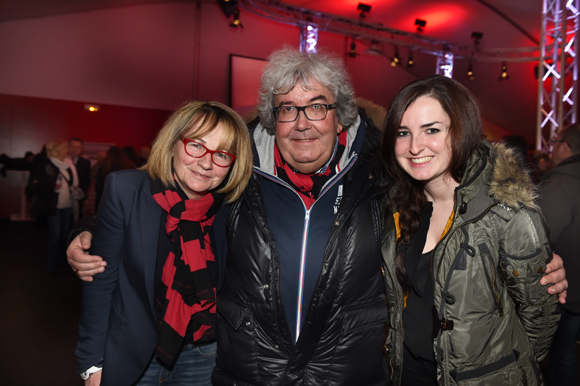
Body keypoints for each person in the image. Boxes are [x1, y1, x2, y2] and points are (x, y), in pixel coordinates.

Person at [67, 48, 569, 385]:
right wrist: (87, 234)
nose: (302, 122)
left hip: (345, 371)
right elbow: (164, 202)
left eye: (317, 107)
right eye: (287, 109)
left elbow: (458, 184)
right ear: (271, 118)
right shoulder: (235, 175)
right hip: (251, 369)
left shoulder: (383, 179)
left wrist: (523, 256)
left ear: (341, 114)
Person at [380, 75, 561, 386]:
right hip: (406, 374)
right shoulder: (396, 205)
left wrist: (502, 369)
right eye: (403, 133)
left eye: (432, 130)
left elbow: (540, 321)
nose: (414, 147)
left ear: (460, 130)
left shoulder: (505, 213)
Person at [75, 101, 253, 386]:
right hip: (135, 354)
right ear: (173, 144)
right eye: (196, 145)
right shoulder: (126, 189)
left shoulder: (230, 208)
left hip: (204, 354)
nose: (206, 163)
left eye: (221, 154)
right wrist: (92, 362)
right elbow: (100, 282)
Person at [540, 124, 580, 385]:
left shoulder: (560, 184)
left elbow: (537, 242)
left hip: (562, 295)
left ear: (564, 147)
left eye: (554, 142)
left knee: (556, 357)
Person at [27, 140, 79, 272]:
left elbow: (72, 182)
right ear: (56, 152)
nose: (66, 151)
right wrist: (52, 186)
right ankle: (51, 263)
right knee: (55, 234)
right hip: (53, 205)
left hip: (67, 205)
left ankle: (59, 259)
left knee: (64, 233)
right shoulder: (47, 165)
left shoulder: (68, 164)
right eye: (63, 149)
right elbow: (38, 185)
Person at [94, 145, 135, 210]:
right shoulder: (128, 165)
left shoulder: (105, 166)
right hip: (124, 198)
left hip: (106, 198)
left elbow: (99, 185)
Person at [69, 138, 92, 216]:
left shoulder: (85, 163)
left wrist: (83, 196)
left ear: (81, 149)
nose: (74, 150)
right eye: (72, 147)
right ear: (68, 147)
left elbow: (86, 181)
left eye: (77, 147)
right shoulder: (61, 161)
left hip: (77, 197)